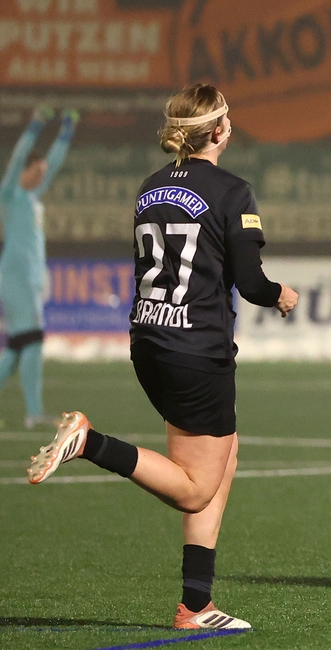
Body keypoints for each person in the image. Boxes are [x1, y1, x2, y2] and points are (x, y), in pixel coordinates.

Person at [26, 83, 299, 629]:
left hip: (150, 341)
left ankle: (195, 606)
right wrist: (281, 296)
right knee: (196, 488)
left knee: (224, 458)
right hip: (197, 350)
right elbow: (249, 282)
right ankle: (91, 442)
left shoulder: (151, 187)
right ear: (220, 131)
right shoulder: (232, 191)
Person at [0, 105, 78, 429]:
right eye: (38, 171)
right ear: (25, 171)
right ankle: (34, 413)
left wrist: (66, 132)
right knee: (32, 338)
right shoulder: (10, 195)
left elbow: (55, 163)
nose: (43, 175)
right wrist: (35, 125)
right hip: (15, 276)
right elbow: (18, 158)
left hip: (28, 278)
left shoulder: (33, 198)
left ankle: (34, 411)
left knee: (18, 348)